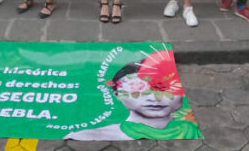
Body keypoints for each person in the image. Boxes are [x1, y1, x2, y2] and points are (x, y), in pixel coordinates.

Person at [66, 53, 198, 141]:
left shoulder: (191, 129)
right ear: (116, 93)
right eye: (138, 91)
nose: (154, 98)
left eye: (163, 89)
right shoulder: (84, 136)